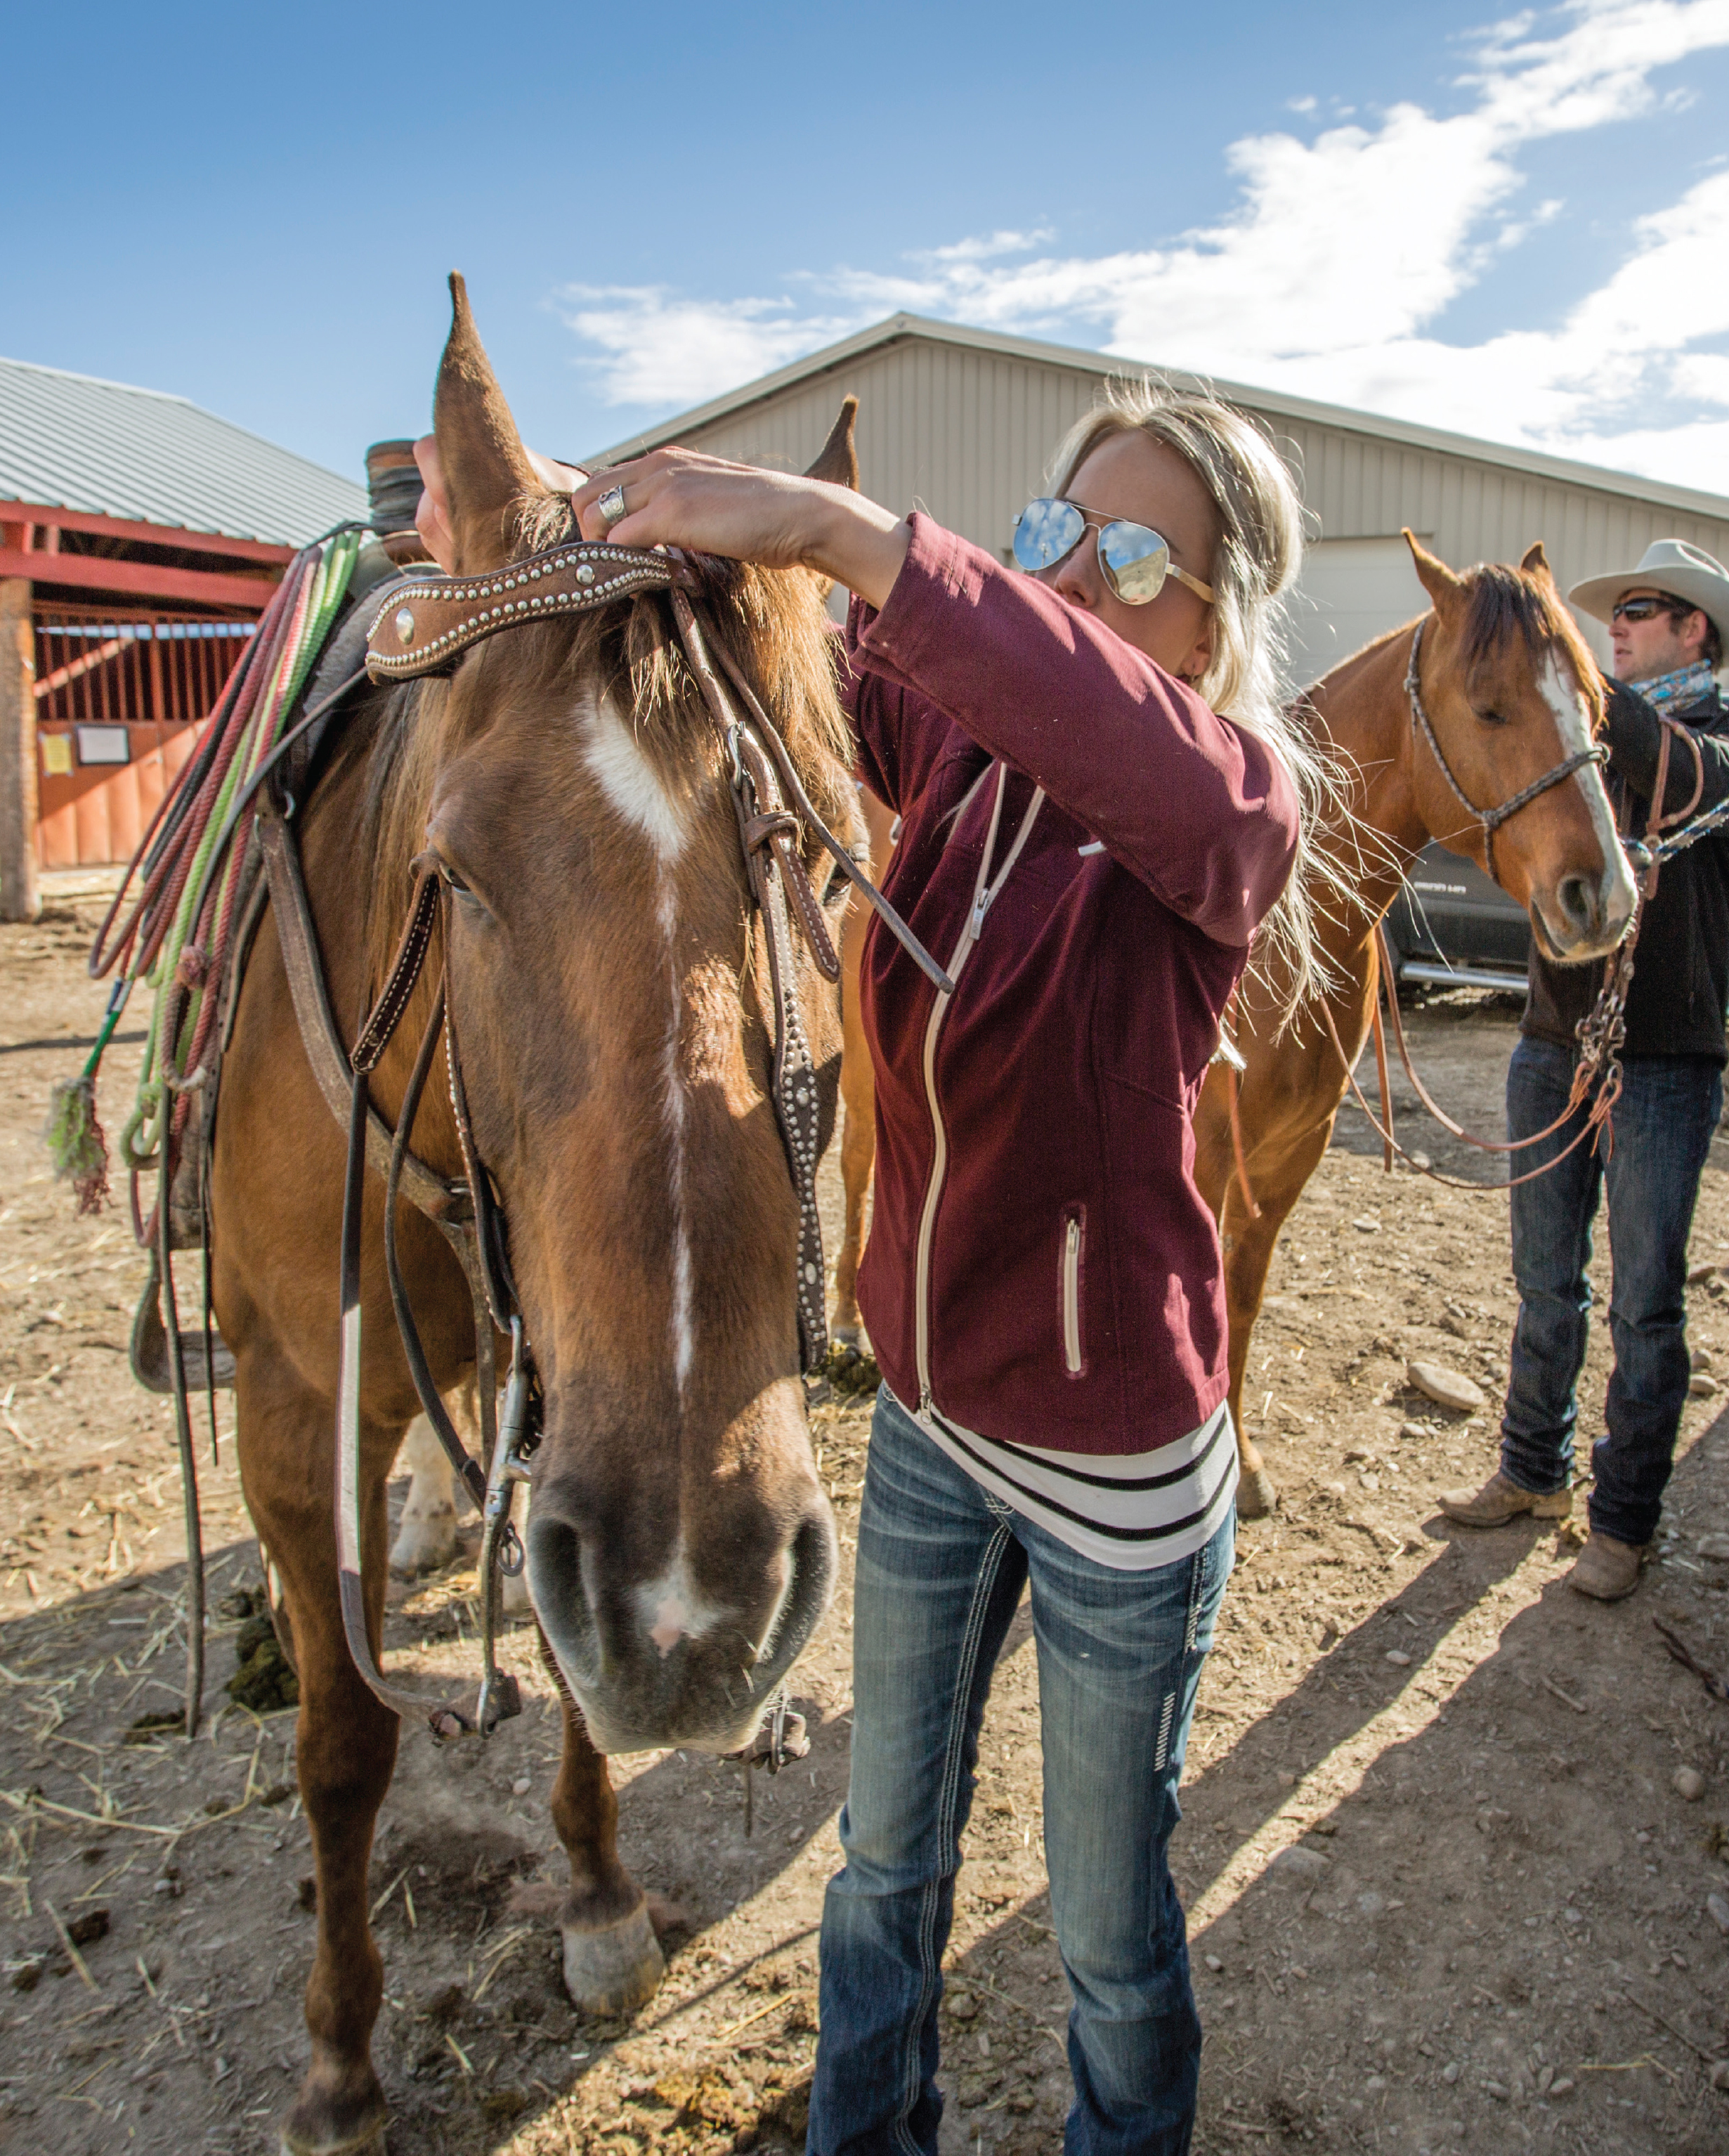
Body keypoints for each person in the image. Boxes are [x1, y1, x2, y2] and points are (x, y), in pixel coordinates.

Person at [559, 388, 1324, 2156]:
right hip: (926, 1417)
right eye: (1051, 531)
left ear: (1213, 628)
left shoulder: (1227, 809)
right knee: (882, 1854)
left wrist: (851, 533)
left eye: (1134, 556)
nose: (1070, 572)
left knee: (1103, 1929)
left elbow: (1073, 701)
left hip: (1116, 1471)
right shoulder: (964, 746)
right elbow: (799, 671)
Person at [1440, 540, 1729, 1602]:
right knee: (1545, 1286)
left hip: (1665, 1067)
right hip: (1553, 1047)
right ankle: (1529, 1472)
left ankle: (1622, 1522)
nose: (1618, 624)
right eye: (1616, 612)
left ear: (1696, 633)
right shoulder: (1575, 731)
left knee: (1644, 1306)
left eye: (1643, 610)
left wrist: (1576, 685)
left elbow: (1684, 779)